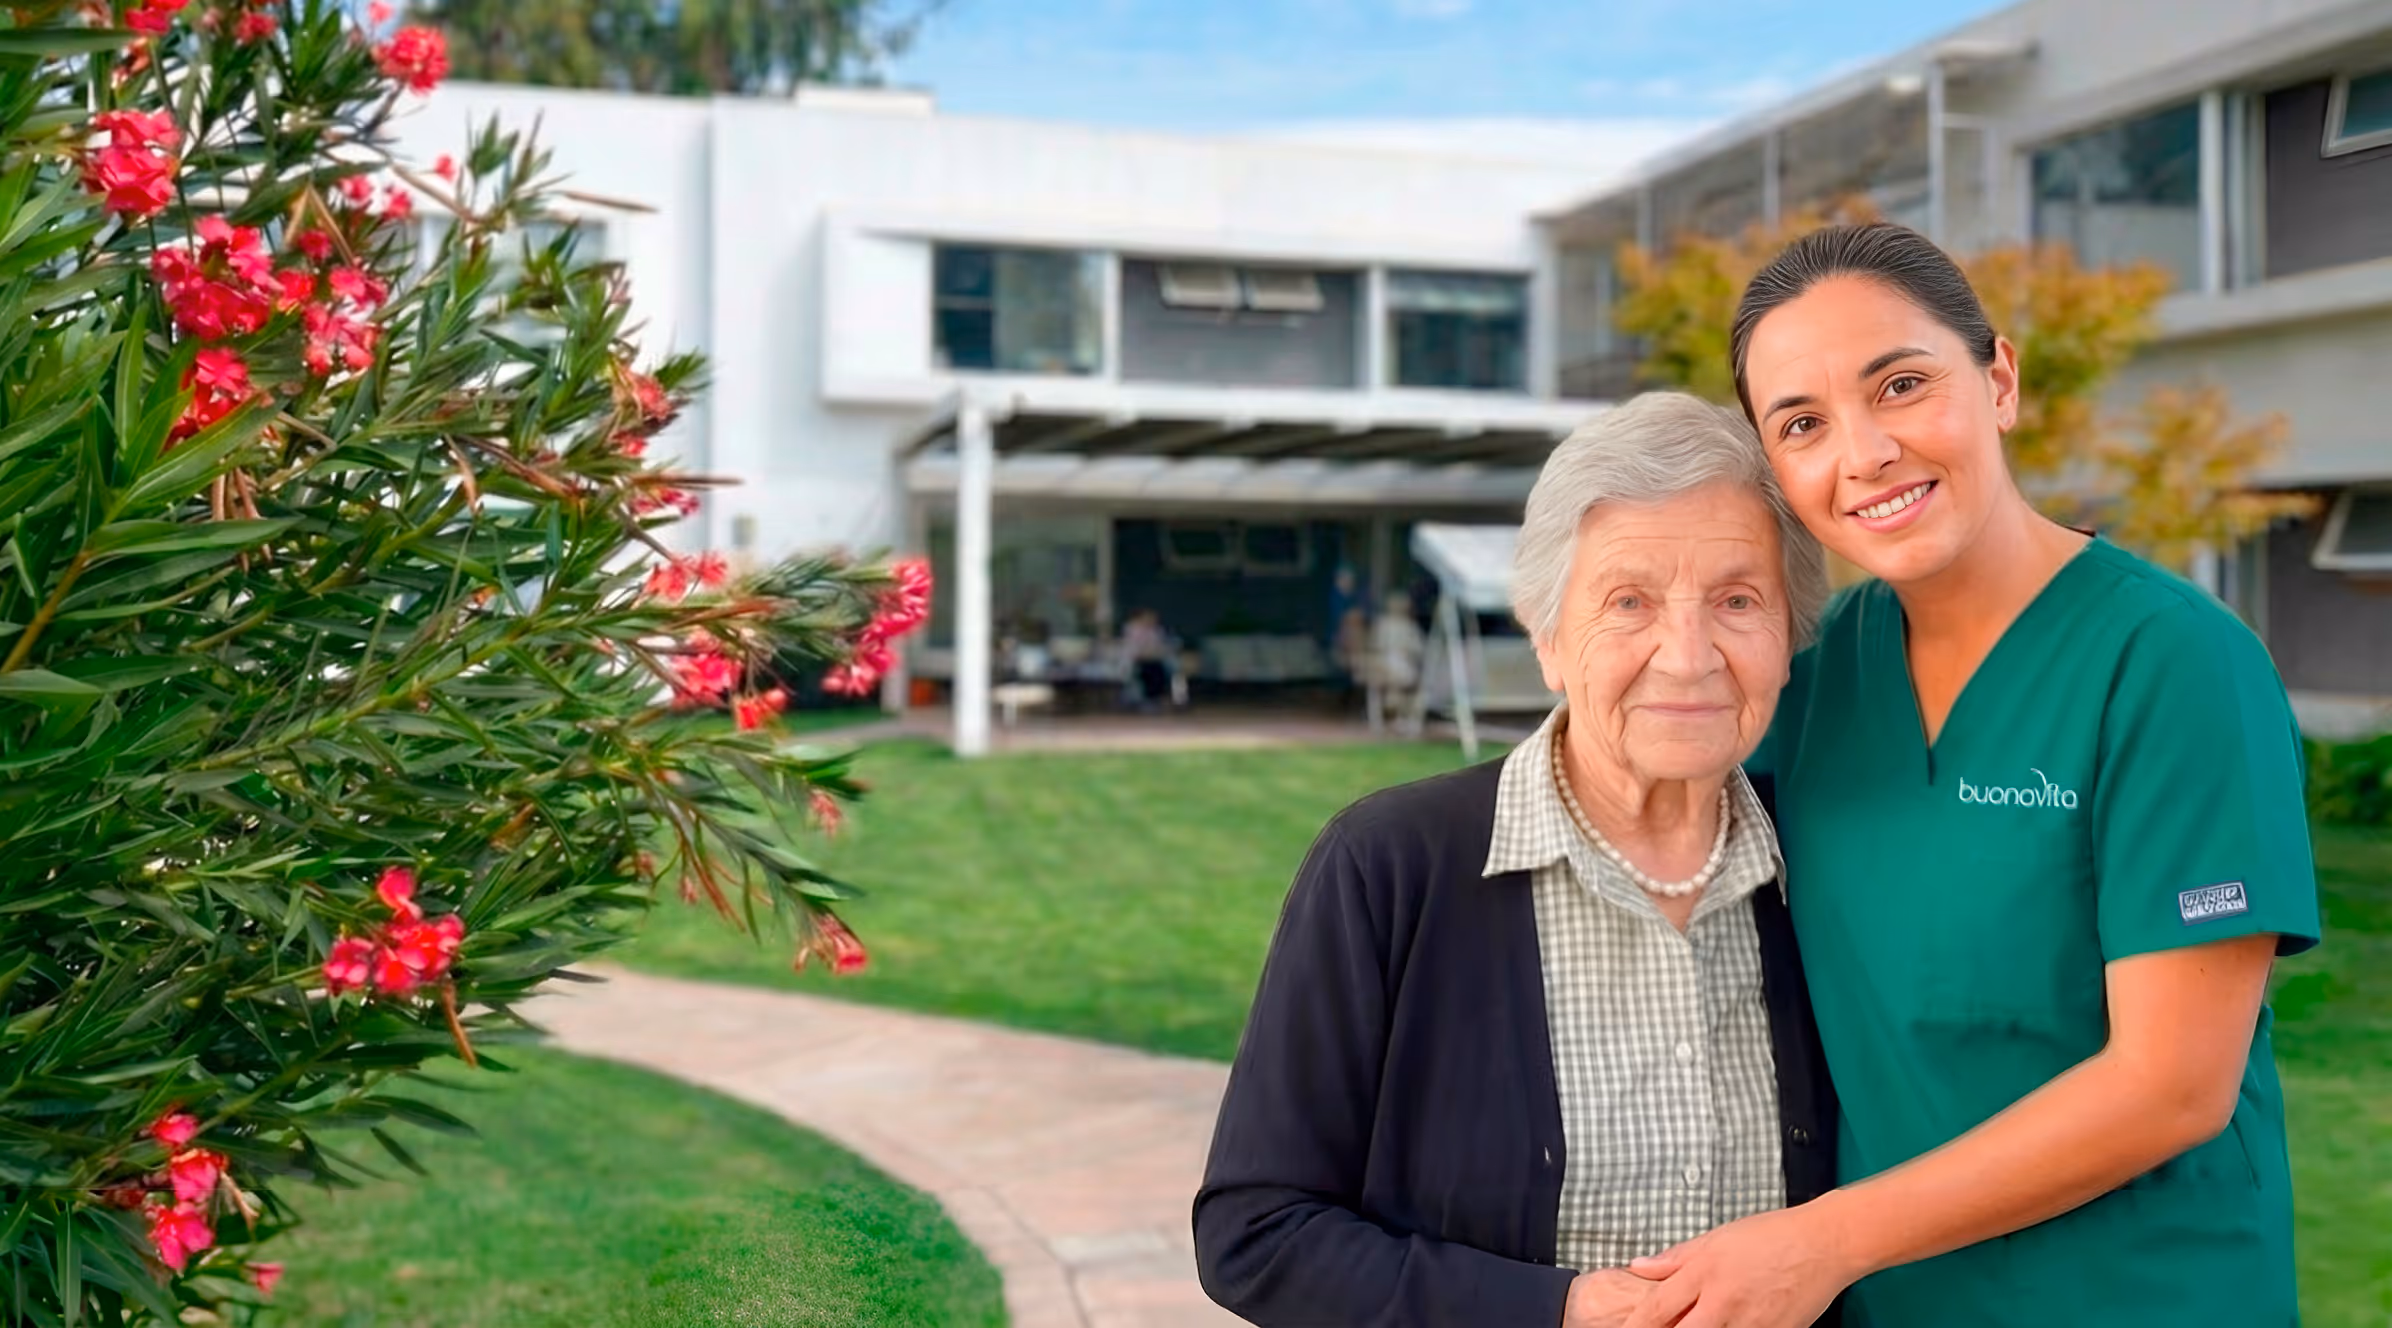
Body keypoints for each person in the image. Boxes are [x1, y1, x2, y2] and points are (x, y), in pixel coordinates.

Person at [1618, 223, 2321, 1328]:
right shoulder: (1811, 679)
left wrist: (1821, 1242)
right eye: (1802, 424)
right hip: (1889, 1304)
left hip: (2142, 1296)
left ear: (1999, 380)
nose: (1864, 454)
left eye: (1900, 385)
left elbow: (2174, 1084)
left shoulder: (2174, 663)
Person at [1193, 393, 1839, 1327]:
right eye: (1629, 602)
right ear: (1547, 637)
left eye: (1738, 601)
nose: (1687, 655)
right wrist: (1559, 1312)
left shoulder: (1823, 865)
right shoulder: (1390, 868)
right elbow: (1257, 1231)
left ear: (1789, 637)